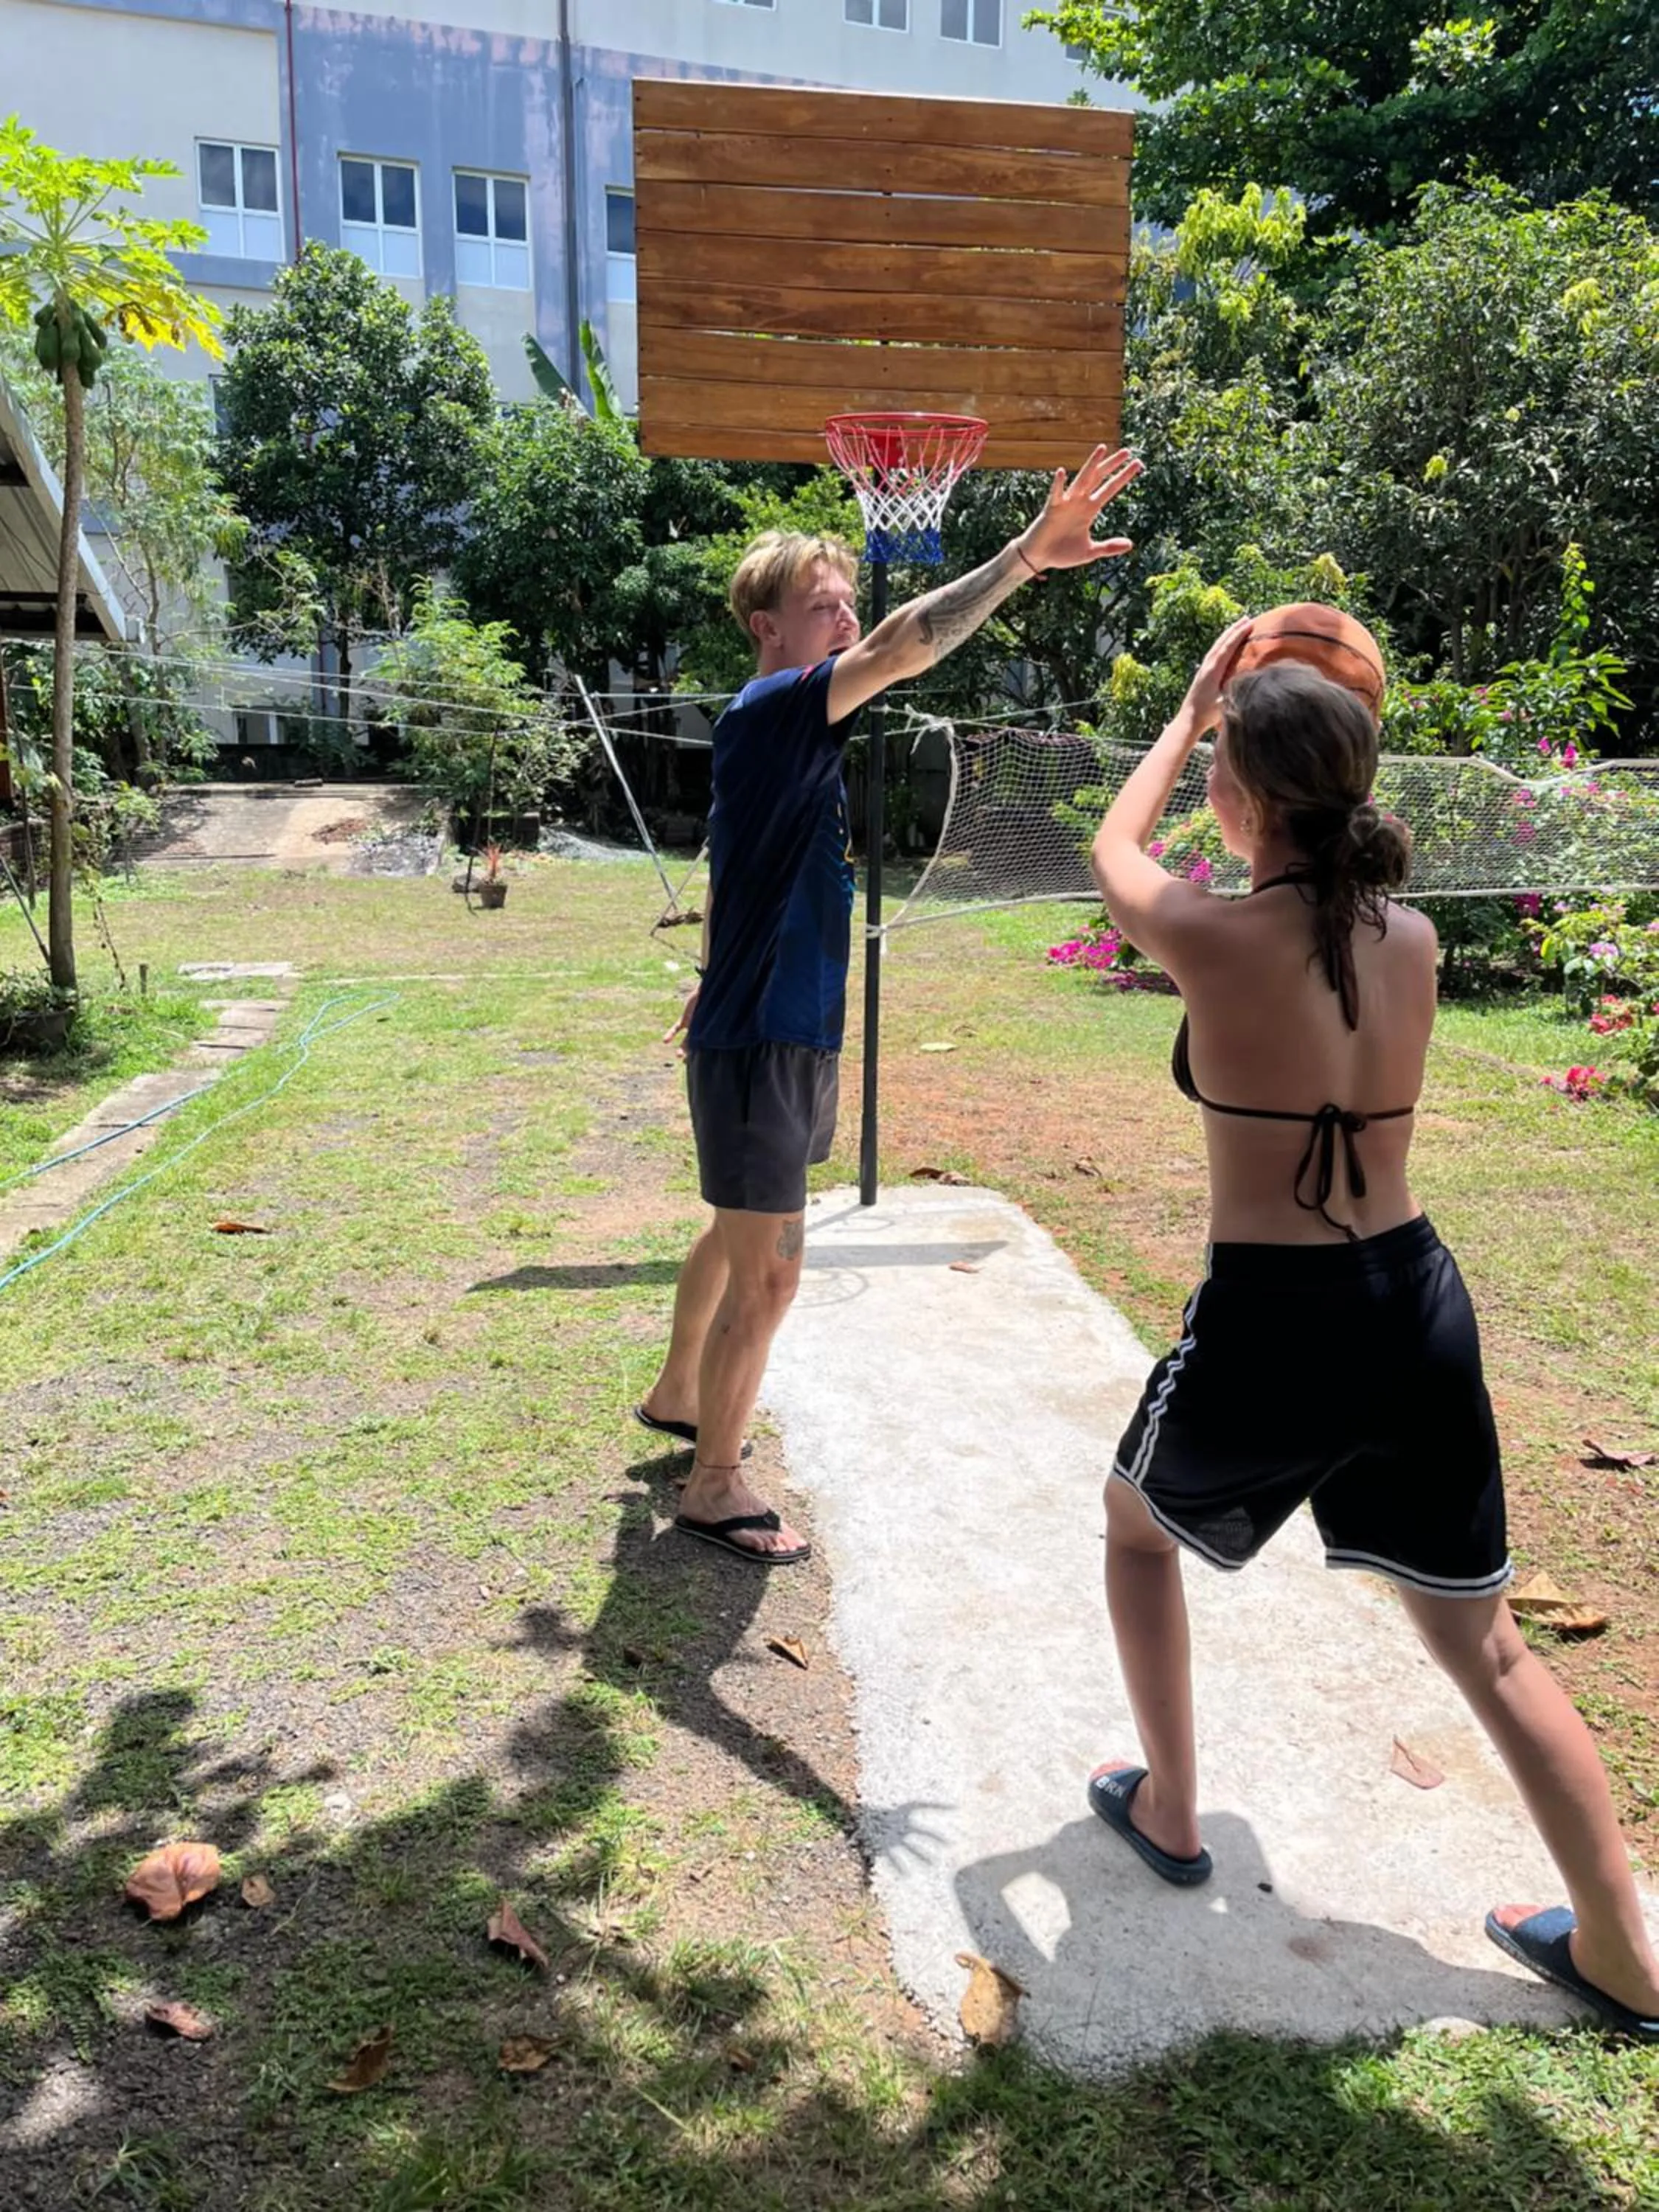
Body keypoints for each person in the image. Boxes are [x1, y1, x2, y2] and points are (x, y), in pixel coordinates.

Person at [1085, 622, 1659, 2040]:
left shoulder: (1208, 934)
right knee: (1491, 1648)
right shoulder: (1414, 934)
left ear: (1243, 795)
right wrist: (1247, 730)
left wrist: (1186, 713)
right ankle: (1624, 1953)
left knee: (1132, 1530)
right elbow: (1317, 918)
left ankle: (1167, 1804)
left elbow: (1113, 840)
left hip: (1274, 1319)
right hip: (1414, 1301)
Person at [636, 446, 1143, 1565]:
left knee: (737, 1227)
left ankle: (681, 1395)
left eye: (843, 603)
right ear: (766, 628)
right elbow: (905, 644)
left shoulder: (782, 737)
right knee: (772, 1262)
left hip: (774, 1019)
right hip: (768, 1028)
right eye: (819, 607)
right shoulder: (777, 707)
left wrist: (712, 970)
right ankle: (715, 1482)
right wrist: (1022, 558)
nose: (842, 620)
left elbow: (733, 861)